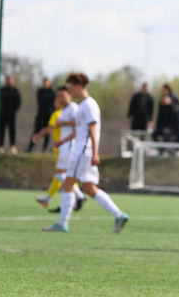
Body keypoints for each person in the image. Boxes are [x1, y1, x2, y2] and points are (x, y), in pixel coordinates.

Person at [43, 73, 129, 233]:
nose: (69, 90)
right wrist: (63, 141)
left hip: (83, 151)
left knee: (68, 185)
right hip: (84, 151)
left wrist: (95, 152)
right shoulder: (82, 105)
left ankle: (62, 224)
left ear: (78, 86)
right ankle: (119, 215)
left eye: (70, 87)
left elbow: (92, 129)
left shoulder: (89, 105)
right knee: (89, 188)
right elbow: (80, 130)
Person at [33, 86, 86, 211]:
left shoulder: (73, 108)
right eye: (58, 96)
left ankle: (77, 196)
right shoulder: (63, 111)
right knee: (62, 175)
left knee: (61, 175)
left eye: (62, 96)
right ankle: (71, 200)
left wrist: (61, 124)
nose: (60, 99)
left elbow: (79, 123)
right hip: (62, 146)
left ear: (69, 95)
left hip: (69, 145)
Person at [27, 78, 55, 152]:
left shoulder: (52, 93)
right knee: (35, 131)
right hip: (40, 115)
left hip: (48, 115)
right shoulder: (40, 92)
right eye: (44, 83)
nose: (44, 84)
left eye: (46, 83)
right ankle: (30, 148)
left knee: (47, 133)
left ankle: (44, 149)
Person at [151, 84, 179, 156]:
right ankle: (161, 150)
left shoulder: (174, 98)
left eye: (164, 90)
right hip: (163, 125)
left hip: (172, 125)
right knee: (154, 134)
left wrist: (171, 104)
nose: (163, 91)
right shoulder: (162, 99)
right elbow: (159, 115)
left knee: (167, 135)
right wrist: (157, 126)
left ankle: (167, 151)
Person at [0, 75, 22, 154]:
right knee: (1, 130)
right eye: (8, 80)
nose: (9, 81)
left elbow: (18, 102)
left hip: (11, 114)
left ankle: (13, 146)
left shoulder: (15, 91)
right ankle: (0, 146)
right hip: (3, 113)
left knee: (12, 130)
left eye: (10, 80)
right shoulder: (2, 90)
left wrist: (14, 111)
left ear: (13, 81)